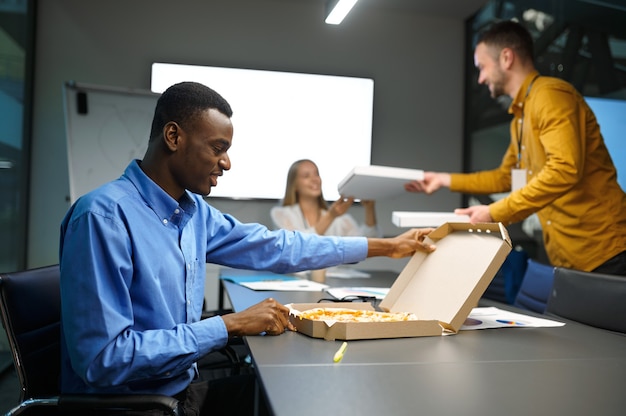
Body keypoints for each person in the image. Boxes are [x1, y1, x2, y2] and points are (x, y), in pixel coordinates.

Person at [59, 81, 436, 416]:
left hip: (177, 391)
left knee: (303, 393)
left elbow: (277, 247)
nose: (226, 162)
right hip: (135, 407)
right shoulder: (103, 217)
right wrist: (229, 325)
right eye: (218, 148)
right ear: (173, 137)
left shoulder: (194, 214)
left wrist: (385, 246)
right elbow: (103, 359)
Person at [405, 20, 626, 276]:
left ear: (506, 58)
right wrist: (443, 179)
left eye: (482, 67)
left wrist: (494, 212)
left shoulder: (550, 96)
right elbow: (505, 177)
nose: (480, 78)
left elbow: (565, 169)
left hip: (607, 249)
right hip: (572, 257)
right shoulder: (521, 116)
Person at [271, 159, 381, 237]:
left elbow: (366, 242)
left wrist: (369, 208)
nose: (315, 179)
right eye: (306, 176)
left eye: (316, 174)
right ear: (294, 185)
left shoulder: (340, 219)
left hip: (335, 271)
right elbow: (297, 244)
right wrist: (330, 216)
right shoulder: (281, 214)